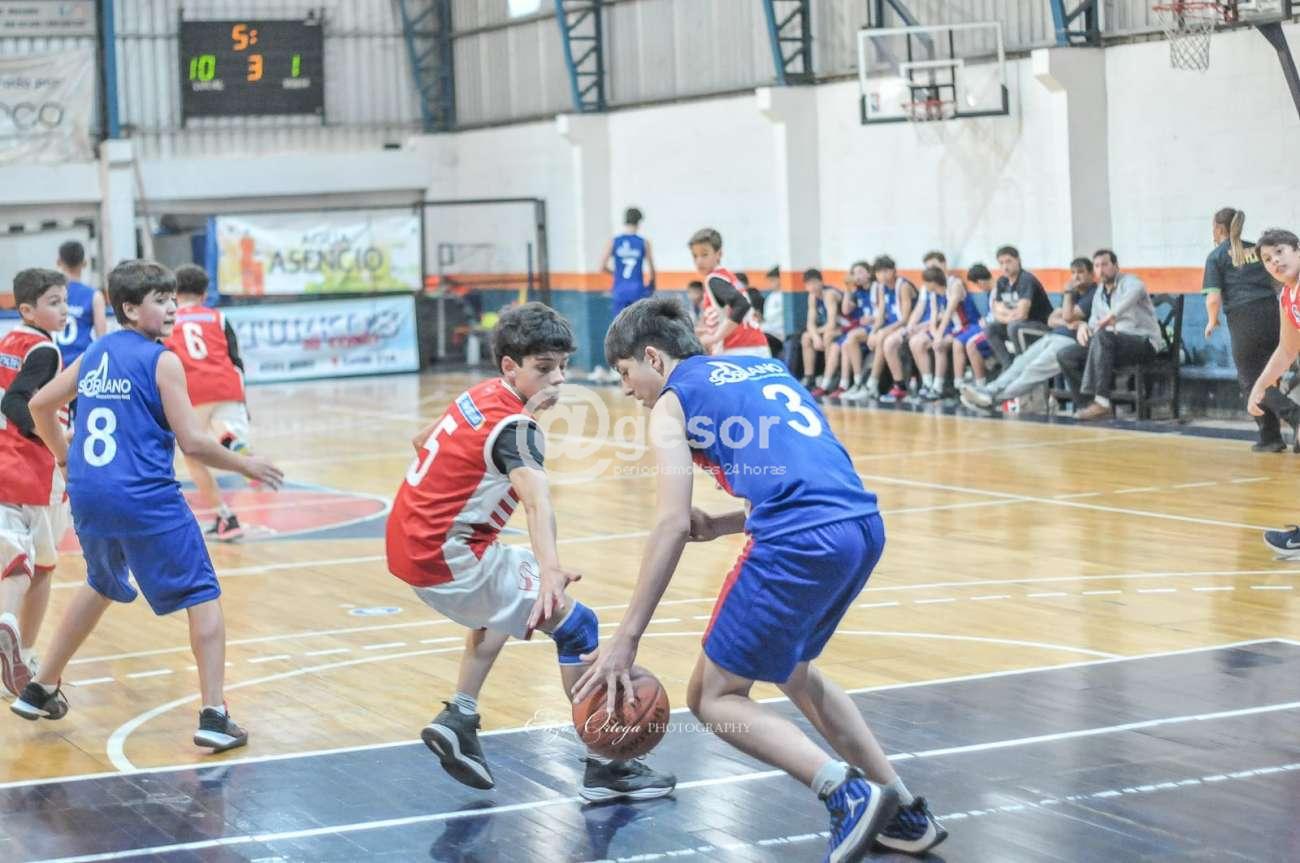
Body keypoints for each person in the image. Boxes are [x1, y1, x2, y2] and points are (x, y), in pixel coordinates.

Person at [587, 296, 946, 861]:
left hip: (798, 540)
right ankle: (902, 810)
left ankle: (845, 791)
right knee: (795, 671)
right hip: (860, 526)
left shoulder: (672, 403)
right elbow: (804, 468)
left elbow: (671, 522)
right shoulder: (763, 368)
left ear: (652, 358)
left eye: (625, 373)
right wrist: (723, 524)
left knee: (712, 697)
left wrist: (626, 638)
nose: (627, 389)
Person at [385, 302, 676, 802]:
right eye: (544, 368)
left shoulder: (479, 395)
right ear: (510, 366)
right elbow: (538, 502)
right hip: (449, 560)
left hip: (414, 543)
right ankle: (606, 765)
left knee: (506, 602)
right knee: (575, 624)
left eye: (562, 366)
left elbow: (421, 441)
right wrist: (551, 571)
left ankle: (460, 716)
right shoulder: (517, 429)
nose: (558, 379)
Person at [13, 261, 283, 755]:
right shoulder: (162, 361)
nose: (173, 308)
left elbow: (38, 405)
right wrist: (247, 465)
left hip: (91, 493)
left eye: (172, 298)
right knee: (202, 592)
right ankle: (215, 714)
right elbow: (194, 443)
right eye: (161, 300)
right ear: (131, 309)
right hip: (144, 496)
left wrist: (64, 458)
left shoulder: (96, 352)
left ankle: (41, 685)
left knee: (101, 583)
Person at [0, 269, 69, 697]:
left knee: (15, 559)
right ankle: (23, 650)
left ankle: (8, 627)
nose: (64, 310)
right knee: (42, 566)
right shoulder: (44, 350)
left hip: (2, 461)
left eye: (64, 301)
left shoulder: (8, 341)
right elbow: (14, 401)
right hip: (33, 467)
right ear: (27, 309)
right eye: (54, 302)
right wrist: (54, 438)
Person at [163, 265, 253, 540]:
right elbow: (236, 361)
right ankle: (230, 438)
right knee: (225, 428)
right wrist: (244, 404)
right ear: (204, 294)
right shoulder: (219, 317)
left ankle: (224, 516)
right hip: (227, 385)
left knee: (193, 456)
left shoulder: (168, 320)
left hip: (192, 390)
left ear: (175, 293)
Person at [961, 257, 1097, 411]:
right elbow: (1052, 320)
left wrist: (1067, 294)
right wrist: (1070, 322)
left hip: (1071, 341)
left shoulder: (1092, 293)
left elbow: (1067, 316)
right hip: (1054, 335)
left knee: (1033, 370)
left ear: (1091, 274)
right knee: (1021, 362)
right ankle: (988, 391)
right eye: (1073, 273)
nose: (1075, 277)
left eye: (1080, 272)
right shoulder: (1074, 294)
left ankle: (993, 400)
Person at [1203, 208, 1284, 451]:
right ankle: (1271, 438)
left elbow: (1213, 298)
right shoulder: (1257, 251)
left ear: (1219, 228)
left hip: (1244, 318)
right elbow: (1278, 282)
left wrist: (1211, 320)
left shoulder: (1216, 256)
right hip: (1273, 313)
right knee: (1269, 378)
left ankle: (1293, 419)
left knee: (1252, 382)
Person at [1056, 250, 1163, 421]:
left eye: (1105, 264)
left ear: (1116, 266)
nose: (1101, 269)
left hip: (1143, 343)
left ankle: (1102, 402)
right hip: (1110, 345)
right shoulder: (1099, 293)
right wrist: (1083, 326)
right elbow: (1093, 323)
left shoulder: (1131, 282)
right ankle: (1089, 405)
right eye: (1097, 266)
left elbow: (1131, 297)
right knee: (1066, 355)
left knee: (1102, 337)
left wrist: (1112, 316)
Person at [1247, 230, 1300, 557]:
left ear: (1297, 250)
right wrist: (1260, 384)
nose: (1275, 261)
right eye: (1267, 259)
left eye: (1280, 251)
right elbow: (1288, 349)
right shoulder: (1287, 297)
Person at [592, 207, 656, 383]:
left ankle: (617, 369)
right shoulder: (644, 243)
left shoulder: (614, 241)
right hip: (638, 290)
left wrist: (617, 274)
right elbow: (652, 270)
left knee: (619, 330)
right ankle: (642, 367)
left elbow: (601, 267)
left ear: (624, 220)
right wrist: (651, 287)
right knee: (640, 331)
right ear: (639, 222)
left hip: (620, 290)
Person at [689, 228, 771, 358]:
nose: (699, 261)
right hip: (757, 346)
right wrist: (707, 331)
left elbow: (741, 305)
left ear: (719, 254)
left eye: (704, 255)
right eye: (695, 256)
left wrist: (715, 337)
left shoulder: (713, 279)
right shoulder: (727, 276)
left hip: (738, 349)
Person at [983, 246, 1052, 370]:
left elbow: (1022, 314)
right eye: (1001, 263)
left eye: (1008, 261)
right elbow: (996, 311)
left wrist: (1005, 314)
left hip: (1040, 326)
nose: (1005, 266)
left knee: (1014, 327)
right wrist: (1010, 316)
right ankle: (1008, 366)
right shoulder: (1002, 281)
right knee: (990, 328)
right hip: (1016, 325)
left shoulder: (1026, 279)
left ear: (1018, 260)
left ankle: (1021, 368)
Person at [860, 256, 916, 401]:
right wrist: (873, 332)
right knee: (878, 337)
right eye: (879, 272)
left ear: (894, 271)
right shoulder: (881, 288)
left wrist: (884, 331)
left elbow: (905, 319)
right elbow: (880, 315)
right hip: (892, 326)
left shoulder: (903, 286)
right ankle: (872, 383)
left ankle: (878, 383)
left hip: (909, 326)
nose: (883, 275)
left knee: (885, 340)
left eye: (886, 271)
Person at [53, 240, 107, 369]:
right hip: (82, 363)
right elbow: (102, 338)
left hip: (54, 362)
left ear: (59, 262)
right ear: (85, 263)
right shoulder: (95, 296)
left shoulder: (50, 293)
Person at [761, 266, 786, 359]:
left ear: (780, 279)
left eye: (773, 280)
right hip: (768, 330)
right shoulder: (770, 296)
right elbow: (767, 317)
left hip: (778, 333)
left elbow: (775, 317)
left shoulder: (785, 295)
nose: (770, 284)